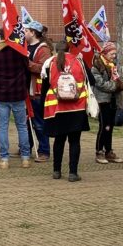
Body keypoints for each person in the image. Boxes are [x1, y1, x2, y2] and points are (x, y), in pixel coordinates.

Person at [40, 40, 94, 182]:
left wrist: (42, 109)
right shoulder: (79, 62)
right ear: (70, 49)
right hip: (77, 108)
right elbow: (92, 81)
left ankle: (56, 171)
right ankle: (72, 173)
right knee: (74, 142)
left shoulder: (50, 63)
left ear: (55, 50)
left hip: (57, 108)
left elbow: (45, 88)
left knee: (59, 140)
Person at [0, 26, 31, 169]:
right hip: (18, 92)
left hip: (1, 93)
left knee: (3, 126)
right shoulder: (19, 51)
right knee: (22, 126)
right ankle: (25, 157)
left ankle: (4, 158)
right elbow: (27, 69)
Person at [91, 41, 123, 165]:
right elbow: (100, 84)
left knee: (110, 127)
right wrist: (115, 85)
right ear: (105, 53)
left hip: (112, 100)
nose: (114, 56)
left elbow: (120, 80)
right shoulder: (97, 66)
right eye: (112, 54)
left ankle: (109, 151)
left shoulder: (113, 66)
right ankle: (99, 151)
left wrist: (121, 83)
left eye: (115, 54)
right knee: (104, 126)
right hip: (102, 100)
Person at [23, 20, 53, 162]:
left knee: (39, 123)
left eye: (27, 31)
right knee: (26, 122)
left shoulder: (43, 49)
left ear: (33, 33)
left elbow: (43, 68)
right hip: (26, 90)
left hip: (37, 92)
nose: (24, 33)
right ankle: (26, 147)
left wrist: (26, 63)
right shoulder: (26, 46)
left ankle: (44, 151)